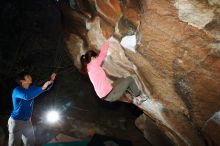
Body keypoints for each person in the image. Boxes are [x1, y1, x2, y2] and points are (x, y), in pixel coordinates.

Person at [80, 40, 148, 105]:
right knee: (130, 79)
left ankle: (131, 91)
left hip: (107, 91)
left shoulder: (89, 67)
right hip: (110, 94)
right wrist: (106, 41)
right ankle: (139, 97)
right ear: (92, 58)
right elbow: (103, 53)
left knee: (122, 79)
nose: (97, 58)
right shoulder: (93, 64)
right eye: (96, 57)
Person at [8, 71, 56, 146]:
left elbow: (45, 89)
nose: (30, 76)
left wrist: (51, 80)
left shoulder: (32, 88)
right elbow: (27, 96)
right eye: (27, 76)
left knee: (30, 142)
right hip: (16, 121)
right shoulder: (17, 90)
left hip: (27, 121)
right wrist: (42, 87)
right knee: (14, 144)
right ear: (22, 81)